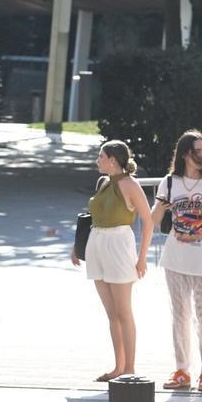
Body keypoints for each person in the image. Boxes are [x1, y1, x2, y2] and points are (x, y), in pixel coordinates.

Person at [151, 130, 202, 392]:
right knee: (179, 315)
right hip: (175, 258)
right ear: (185, 153)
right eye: (197, 151)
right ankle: (181, 369)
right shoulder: (170, 182)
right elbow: (153, 221)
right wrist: (159, 207)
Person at [71, 140, 153, 382]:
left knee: (123, 311)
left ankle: (130, 368)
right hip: (97, 243)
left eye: (101, 157)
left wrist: (142, 258)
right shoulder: (104, 183)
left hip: (118, 245)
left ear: (113, 160)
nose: (97, 160)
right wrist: (76, 247)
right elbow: (92, 217)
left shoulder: (130, 184)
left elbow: (148, 221)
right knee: (112, 314)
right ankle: (118, 368)